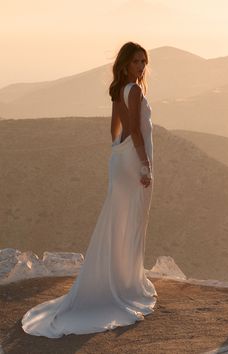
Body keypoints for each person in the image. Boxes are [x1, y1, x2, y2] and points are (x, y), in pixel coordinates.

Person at [21, 41, 158, 338]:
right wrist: (144, 165)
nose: (142, 67)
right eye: (137, 62)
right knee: (132, 221)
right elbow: (134, 129)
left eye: (144, 62)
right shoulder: (134, 90)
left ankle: (118, 279)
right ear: (125, 63)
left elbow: (115, 130)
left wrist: (117, 154)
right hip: (134, 162)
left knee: (119, 220)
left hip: (121, 161)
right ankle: (125, 284)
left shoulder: (118, 89)